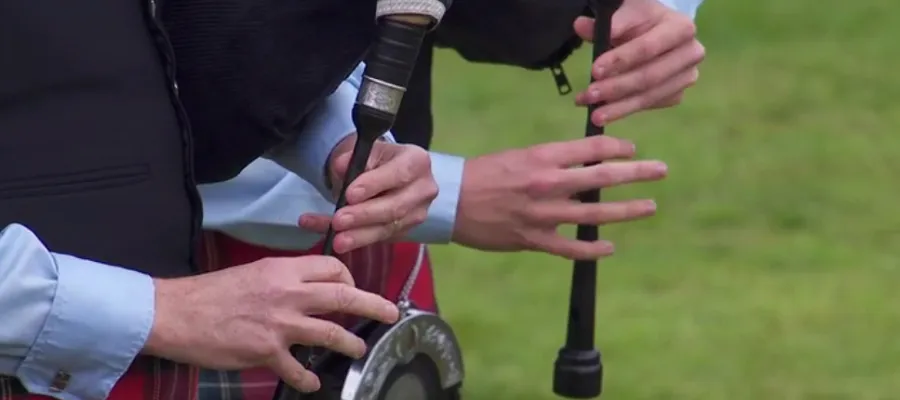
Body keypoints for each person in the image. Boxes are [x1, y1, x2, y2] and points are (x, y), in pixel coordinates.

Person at [197, 0, 706, 398]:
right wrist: (452, 195)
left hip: (379, 247)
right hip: (192, 281)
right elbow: (176, 69)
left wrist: (655, 9)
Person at [0, 2, 440, 400]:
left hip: (154, 353)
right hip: (46, 358)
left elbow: (165, 41)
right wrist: (164, 311)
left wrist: (334, 139)